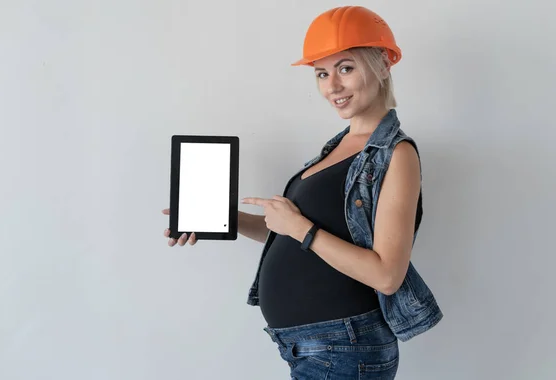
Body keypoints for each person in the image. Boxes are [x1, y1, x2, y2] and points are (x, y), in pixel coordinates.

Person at [163, 6, 443, 379]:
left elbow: (386, 275)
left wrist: (298, 228)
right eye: (322, 74)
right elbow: (297, 235)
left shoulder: (397, 154)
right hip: (312, 346)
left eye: (346, 68)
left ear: (382, 64)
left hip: (344, 347)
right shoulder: (336, 148)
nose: (332, 86)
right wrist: (222, 220)